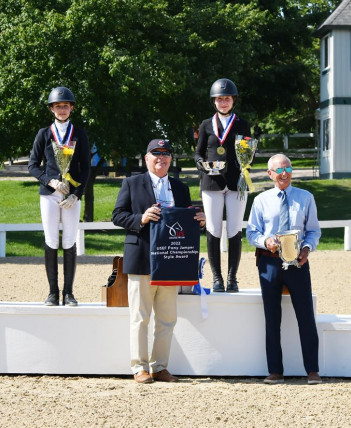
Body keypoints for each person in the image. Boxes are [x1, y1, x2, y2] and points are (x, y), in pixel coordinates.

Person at [112, 139, 206, 384]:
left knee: (167, 318)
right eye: (156, 154)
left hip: (170, 262)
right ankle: (139, 367)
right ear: (146, 158)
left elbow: (187, 221)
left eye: (165, 154)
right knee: (140, 317)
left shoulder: (180, 187)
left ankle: (160, 367)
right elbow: (117, 215)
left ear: (170, 160)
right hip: (142, 258)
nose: (161, 158)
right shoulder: (131, 183)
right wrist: (141, 218)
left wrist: (200, 220)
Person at [246, 154, 322, 385]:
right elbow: (251, 233)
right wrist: (265, 241)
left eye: (288, 168)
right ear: (270, 174)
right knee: (272, 317)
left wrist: (307, 249)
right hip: (269, 264)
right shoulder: (260, 200)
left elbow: (314, 231)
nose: (285, 173)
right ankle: (275, 370)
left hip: (298, 263)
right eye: (280, 170)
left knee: (306, 316)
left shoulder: (306, 197)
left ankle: (312, 370)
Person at [28, 87, 90, 307]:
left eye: (65, 106)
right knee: (51, 240)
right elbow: (32, 165)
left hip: (71, 195)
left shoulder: (79, 134)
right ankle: (53, 293)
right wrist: (50, 181)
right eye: (58, 106)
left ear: (71, 108)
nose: (62, 110)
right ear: (52, 109)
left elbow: (85, 167)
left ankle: (69, 293)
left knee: (70, 240)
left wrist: (76, 194)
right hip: (50, 195)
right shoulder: (44, 134)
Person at [194, 79, 251, 292]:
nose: (223, 102)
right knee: (213, 229)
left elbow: (248, 151)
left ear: (233, 100)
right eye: (220, 99)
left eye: (227, 98)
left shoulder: (242, 124)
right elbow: (198, 152)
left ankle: (232, 278)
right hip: (211, 182)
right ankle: (217, 278)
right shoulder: (206, 125)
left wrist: (247, 161)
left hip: (237, 181)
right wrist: (201, 164)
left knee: (235, 229)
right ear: (214, 101)